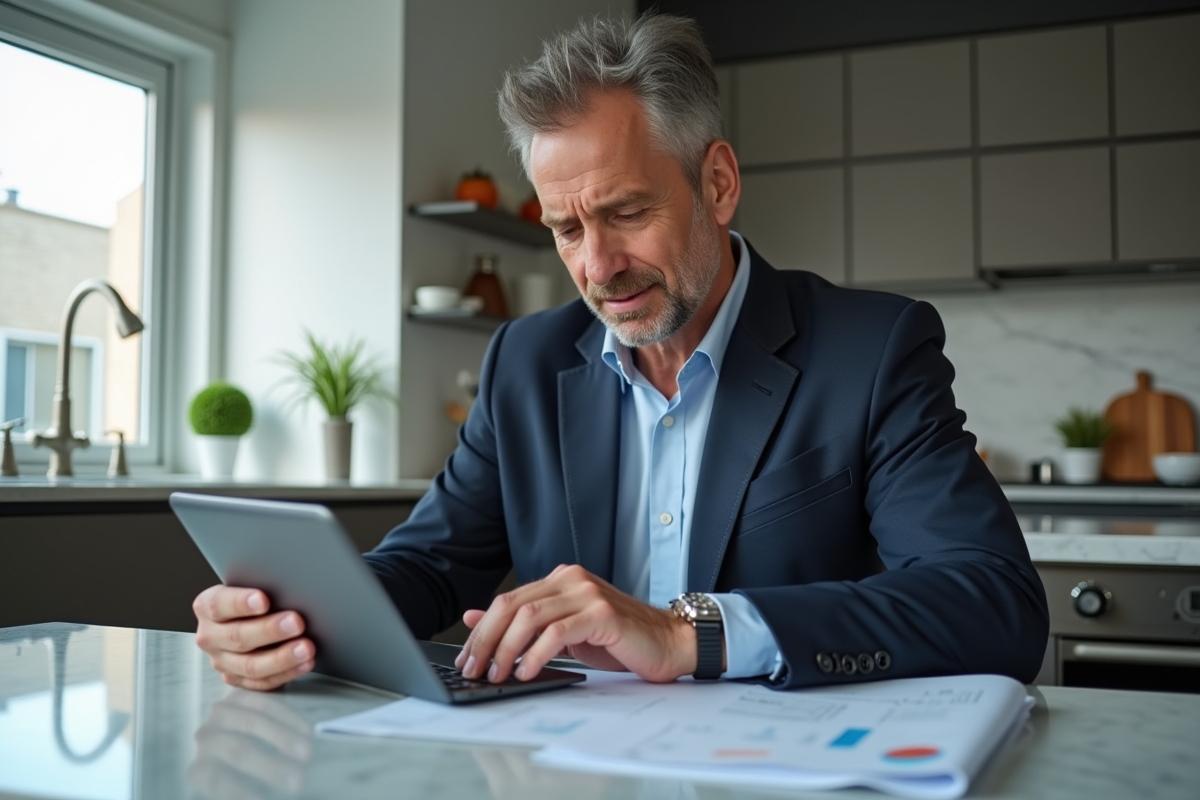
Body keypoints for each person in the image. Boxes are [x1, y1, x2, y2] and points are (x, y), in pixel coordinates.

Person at [193, 14, 1048, 692]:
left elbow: (992, 604)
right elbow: (428, 562)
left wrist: (687, 635)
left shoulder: (871, 350)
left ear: (716, 183)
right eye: (566, 228)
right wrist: (292, 621)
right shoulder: (524, 362)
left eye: (628, 213)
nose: (597, 267)